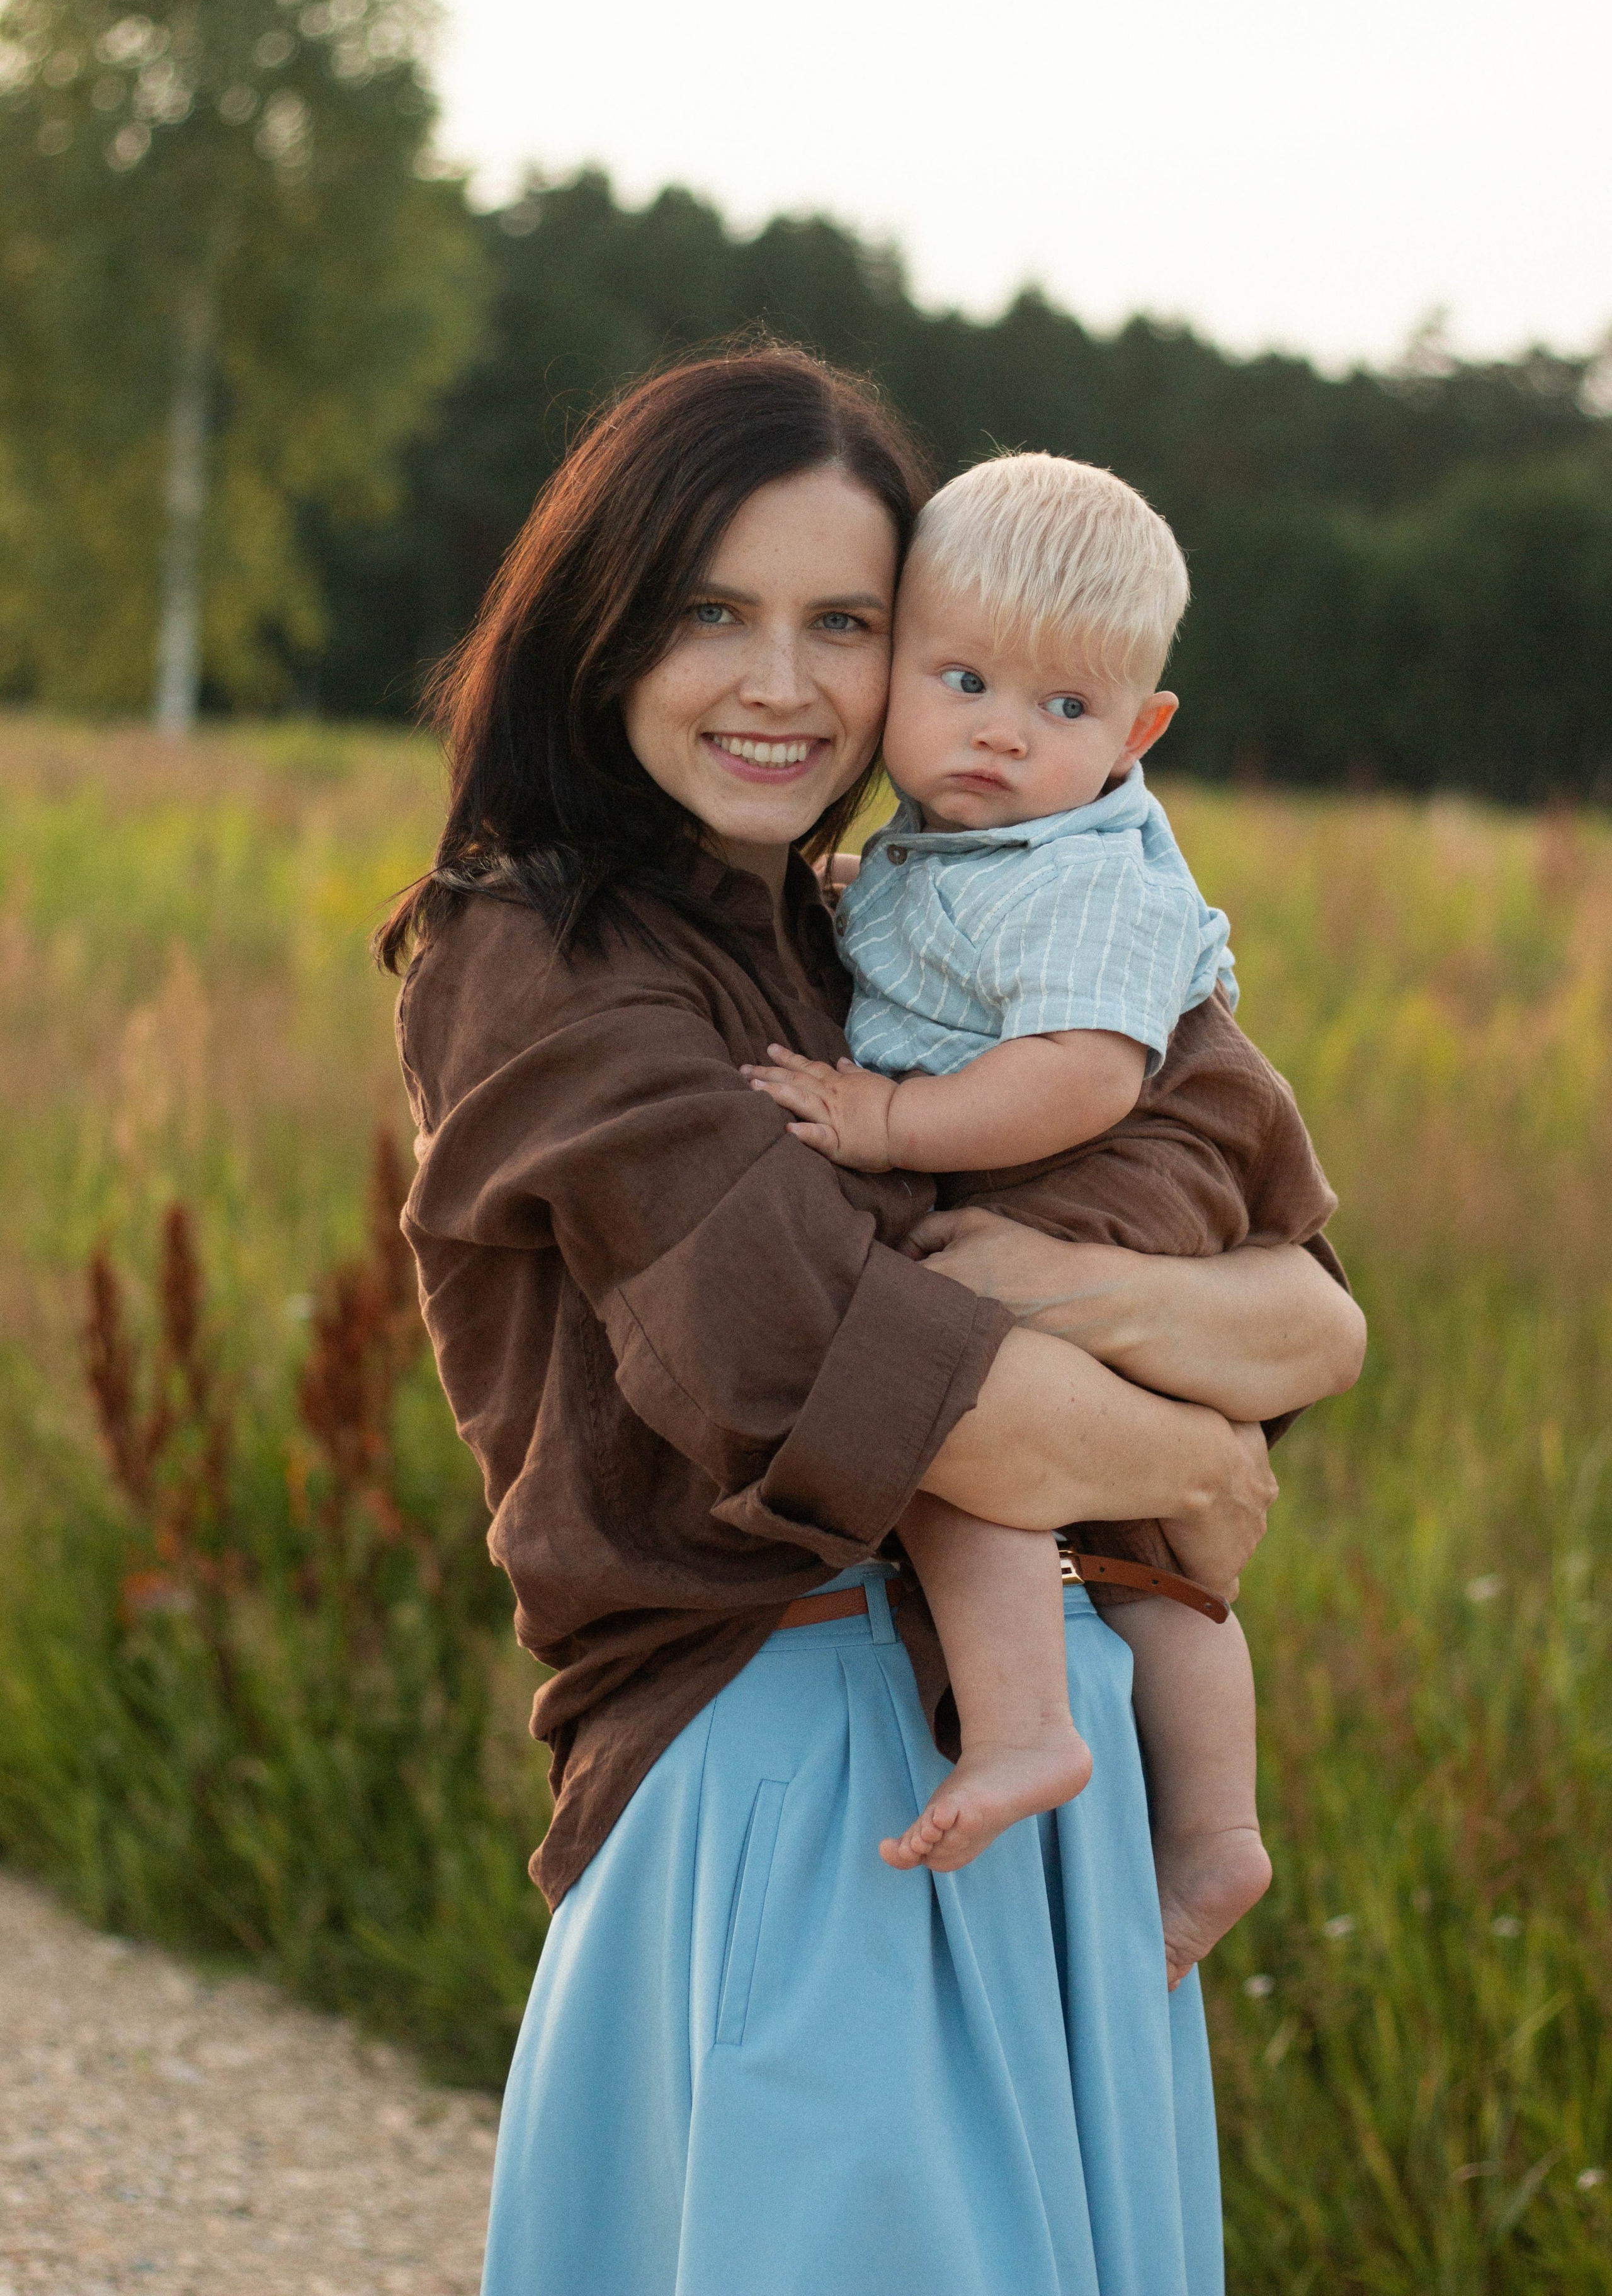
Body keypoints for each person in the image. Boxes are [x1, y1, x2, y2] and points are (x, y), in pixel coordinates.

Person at [378, 346, 1365, 2296]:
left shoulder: (921, 925)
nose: (784, 683)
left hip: (1053, 1762)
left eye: (845, 622)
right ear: (597, 633)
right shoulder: (540, 964)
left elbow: (1312, 1314)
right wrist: (1182, 1448)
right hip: (801, 1767)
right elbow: (847, 1388)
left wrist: (1089, 1310)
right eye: (709, 614)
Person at [744, 452, 1342, 1985]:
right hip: (1086, 1145)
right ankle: (1215, 1832)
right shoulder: (957, 840)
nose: (1002, 731)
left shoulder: (1077, 881)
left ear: (1137, 733)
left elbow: (1075, 1074)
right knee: (1139, 1536)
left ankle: (1021, 1732)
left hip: (1109, 1145)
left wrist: (886, 1123)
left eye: (1064, 710)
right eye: (960, 680)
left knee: (942, 1398)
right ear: (899, 674)